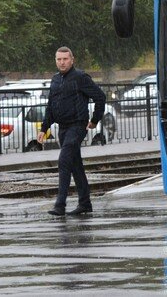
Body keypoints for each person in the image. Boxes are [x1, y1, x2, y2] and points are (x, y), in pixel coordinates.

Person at [38, 46, 106, 216]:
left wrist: (95, 120)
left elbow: (100, 97)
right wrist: (44, 128)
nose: (62, 62)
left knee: (64, 160)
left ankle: (60, 205)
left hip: (77, 126)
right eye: (59, 59)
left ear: (72, 60)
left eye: (65, 59)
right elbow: (51, 107)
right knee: (76, 166)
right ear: (55, 61)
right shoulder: (55, 80)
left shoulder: (80, 77)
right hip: (62, 127)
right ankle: (85, 203)